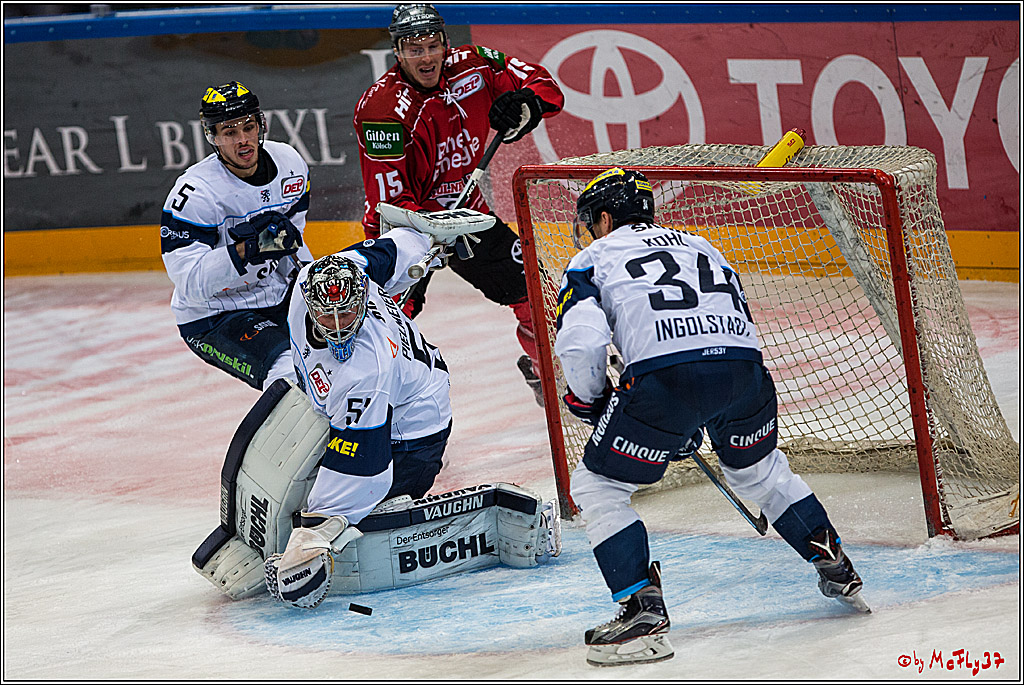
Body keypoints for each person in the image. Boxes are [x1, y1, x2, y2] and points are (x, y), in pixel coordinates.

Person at [553, 168, 867, 667]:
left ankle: (640, 616)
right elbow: (728, 321)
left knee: (598, 487)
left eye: (591, 222)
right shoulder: (704, 247)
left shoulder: (592, 258)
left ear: (606, 219)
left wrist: (591, 400)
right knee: (759, 471)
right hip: (745, 371)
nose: (587, 233)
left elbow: (581, 341)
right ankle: (833, 561)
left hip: (668, 380)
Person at [250, 204, 559, 609]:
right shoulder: (328, 275)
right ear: (310, 303)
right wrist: (427, 239)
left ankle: (458, 504)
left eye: (349, 311)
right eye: (329, 313)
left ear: (360, 298)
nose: (340, 323)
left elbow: (364, 469)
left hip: (415, 432)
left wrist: (316, 532)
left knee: (369, 513)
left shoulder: (365, 372)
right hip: (407, 387)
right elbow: (387, 253)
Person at [352, 3, 565, 405]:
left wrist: (527, 103)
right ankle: (387, 416)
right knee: (385, 329)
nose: (427, 57)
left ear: (445, 43)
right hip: (406, 229)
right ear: (397, 53)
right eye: (414, 49)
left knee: (537, 295)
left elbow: (545, 86)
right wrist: (432, 236)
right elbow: (392, 203)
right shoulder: (381, 111)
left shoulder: (476, 63)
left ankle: (553, 375)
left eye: (433, 45)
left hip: (468, 216)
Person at [161, 80, 313, 391]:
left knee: (346, 351)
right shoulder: (195, 194)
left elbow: (291, 242)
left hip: (276, 296)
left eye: (248, 127)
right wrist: (247, 250)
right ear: (212, 137)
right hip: (216, 315)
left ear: (262, 125)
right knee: (290, 371)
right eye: (229, 132)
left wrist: (310, 282)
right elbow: (190, 283)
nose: (243, 140)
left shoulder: (289, 164)